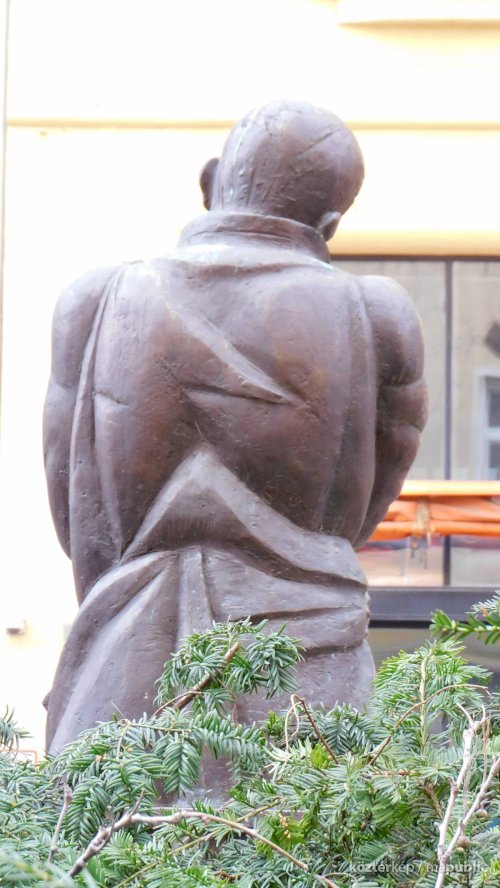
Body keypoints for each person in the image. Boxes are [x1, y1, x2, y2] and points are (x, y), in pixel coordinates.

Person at [44, 101, 427, 752]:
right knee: (313, 819)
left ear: (210, 180)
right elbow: (361, 514)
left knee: (97, 817)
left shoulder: (95, 300)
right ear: (331, 224)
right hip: (307, 677)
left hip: (119, 668)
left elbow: (74, 513)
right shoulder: (377, 315)